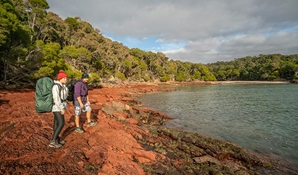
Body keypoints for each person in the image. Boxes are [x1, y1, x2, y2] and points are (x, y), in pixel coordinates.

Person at [49, 70, 68, 148]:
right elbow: (56, 98)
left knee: (56, 124)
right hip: (57, 107)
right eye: (64, 78)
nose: (66, 79)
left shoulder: (62, 86)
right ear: (60, 78)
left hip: (59, 107)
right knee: (61, 123)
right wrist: (61, 108)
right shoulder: (56, 86)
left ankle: (56, 139)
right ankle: (53, 141)